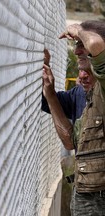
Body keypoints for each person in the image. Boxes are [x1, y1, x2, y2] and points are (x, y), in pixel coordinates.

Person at [42, 20, 105, 215]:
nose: (77, 51)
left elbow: (95, 44)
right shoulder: (82, 94)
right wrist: (50, 92)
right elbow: (69, 142)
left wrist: (78, 30)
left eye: (80, 44)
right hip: (87, 196)